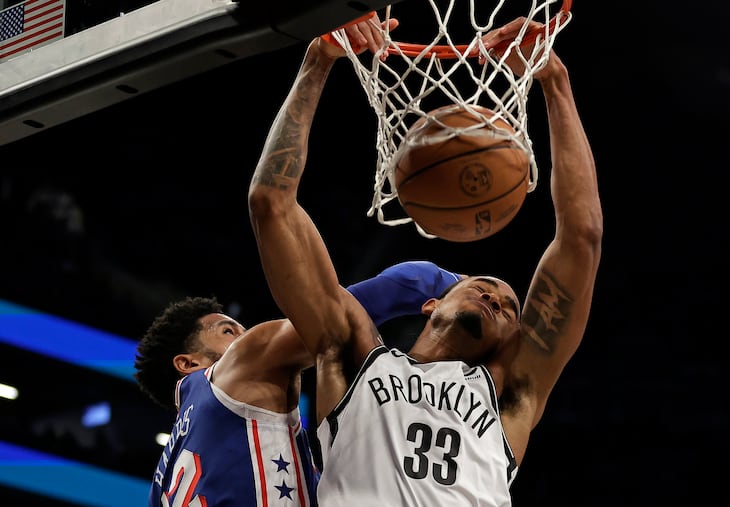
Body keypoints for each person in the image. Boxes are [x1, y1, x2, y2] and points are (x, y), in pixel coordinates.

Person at [248, 13, 602, 507]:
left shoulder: (511, 391)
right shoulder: (351, 354)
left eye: (509, 304)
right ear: (430, 304)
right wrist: (318, 60)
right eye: (482, 284)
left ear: (513, 340)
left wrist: (554, 81)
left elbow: (581, 236)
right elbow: (269, 203)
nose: (496, 297)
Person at [134, 259, 463, 506]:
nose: (245, 337)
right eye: (228, 331)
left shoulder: (160, 487)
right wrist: (466, 288)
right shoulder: (239, 367)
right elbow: (387, 291)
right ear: (189, 363)